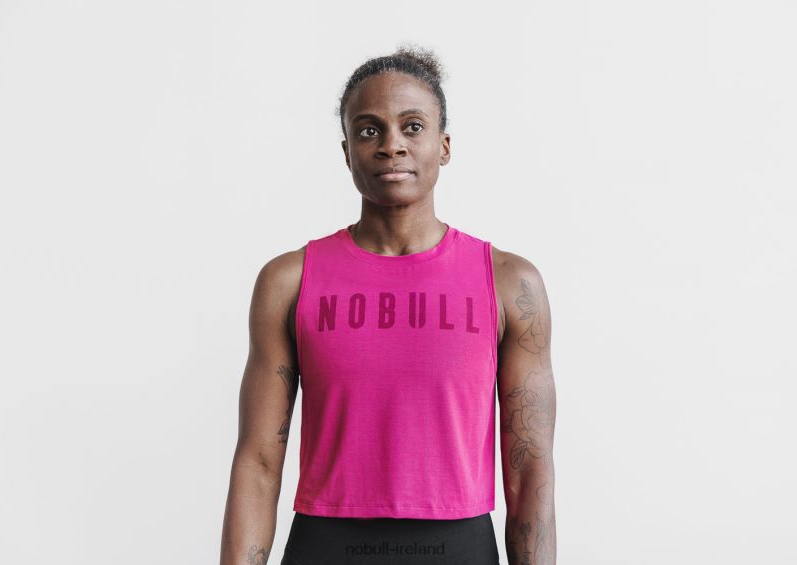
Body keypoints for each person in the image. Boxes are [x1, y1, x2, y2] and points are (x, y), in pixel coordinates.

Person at [218, 45, 557, 565]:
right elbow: (259, 462)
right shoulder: (289, 282)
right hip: (326, 548)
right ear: (347, 150)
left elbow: (530, 469)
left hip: (459, 549)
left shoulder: (511, 284)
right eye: (369, 130)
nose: (391, 145)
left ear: (444, 146)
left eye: (412, 127)